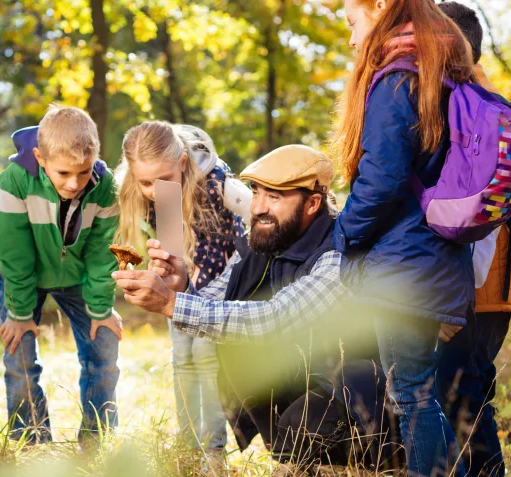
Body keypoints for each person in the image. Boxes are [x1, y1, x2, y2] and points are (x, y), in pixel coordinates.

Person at [113, 145, 395, 472]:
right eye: (256, 192)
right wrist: (183, 286)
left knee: (297, 429)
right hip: (307, 376)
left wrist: (171, 303)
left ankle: (370, 464)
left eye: (274, 197)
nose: (258, 207)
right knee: (260, 388)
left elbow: (274, 319)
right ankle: (308, 460)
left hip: (360, 391)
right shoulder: (265, 239)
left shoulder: (337, 253)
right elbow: (222, 297)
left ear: (313, 203)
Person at [331, 0, 478, 474]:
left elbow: (382, 178)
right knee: (414, 391)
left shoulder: (399, 79)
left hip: (406, 264)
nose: (353, 40)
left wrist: (342, 234)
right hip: (431, 258)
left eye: (354, 24)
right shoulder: (441, 73)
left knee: (411, 394)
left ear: (379, 7)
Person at [435, 4, 511, 476]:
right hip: (485, 289)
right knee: (466, 393)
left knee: (463, 397)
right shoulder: (485, 104)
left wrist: (453, 300)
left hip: (474, 290)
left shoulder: (474, 113)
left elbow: (477, 218)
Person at [0, 105, 121, 446]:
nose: (74, 183)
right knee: (19, 359)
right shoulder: (14, 181)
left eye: (83, 172)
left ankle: (98, 440)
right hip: (25, 279)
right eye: (63, 173)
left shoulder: (106, 187)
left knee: (104, 348)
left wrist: (100, 308)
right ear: (40, 157)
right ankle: (32, 441)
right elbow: (13, 254)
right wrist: (19, 314)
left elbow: (101, 253)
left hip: (79, 277)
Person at [114, 121, 244, 460]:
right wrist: (163, 269)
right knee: (182, 358)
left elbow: (227, 253)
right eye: (145, 183)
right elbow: (173, 249)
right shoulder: (160, 189)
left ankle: (214, 453)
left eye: (163, 180)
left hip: (220, 284)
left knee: (205, 357)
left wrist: (192, 292)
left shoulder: (215, 183)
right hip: (182, 286)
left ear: (183, 163)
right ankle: (188, 448)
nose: (155, 191)